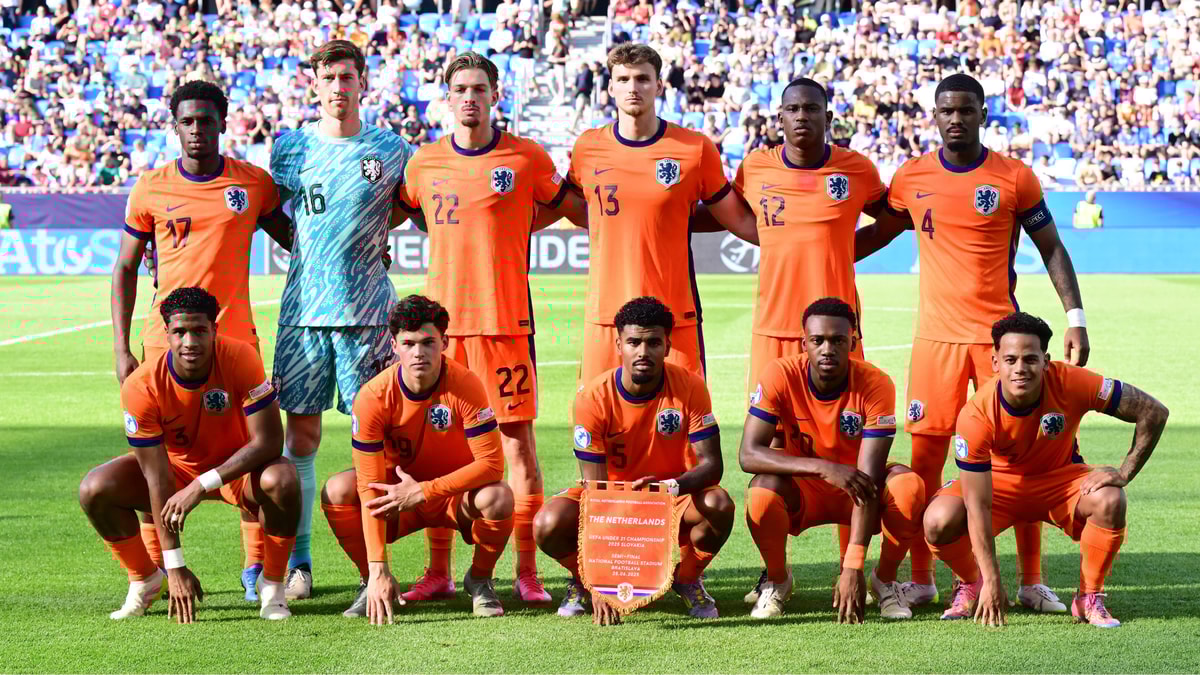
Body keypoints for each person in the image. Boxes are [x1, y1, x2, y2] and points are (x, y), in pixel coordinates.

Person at [856, 73, 1091, 613]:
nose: (956, 119)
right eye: (947, 110)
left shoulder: (1014, 178)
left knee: (1022, 458)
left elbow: (1052, 247)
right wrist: (812, 249)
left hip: (1000, 343)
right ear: (935, 116)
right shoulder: (911, 176)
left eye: (966, 110)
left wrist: (1075, 317)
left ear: (983, 113)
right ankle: (923, 579)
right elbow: (880, 232)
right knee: (925, 460)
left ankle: (1031, 581)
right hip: (934, 341)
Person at [395, 51, 587, 605]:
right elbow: (405, 212)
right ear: (447, 97)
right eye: (460, 89)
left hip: (505, 326)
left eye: (480, 88)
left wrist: (520, 216)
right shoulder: (424, 162)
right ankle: (439, 572)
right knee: (439, 452)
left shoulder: (525, 157)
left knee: (517, 450)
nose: (470, 98)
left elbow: (571, 207)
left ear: (495, 95)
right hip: (441, 334)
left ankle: (527, 572)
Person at [112, 80, 293, 602]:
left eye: (206, 120)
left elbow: (297, 242)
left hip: (236, 342)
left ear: (223, 122)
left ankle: (255, 570)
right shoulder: (150, 188)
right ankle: (160, 569)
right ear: (175, 127)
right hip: (164, 344)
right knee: (160, 457)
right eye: (187, 121)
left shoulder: (252, 184)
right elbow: (125, 267)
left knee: (249, 454)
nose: (197, 130)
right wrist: (122, 347)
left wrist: (361, 248)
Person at [269, 39, 415, 600]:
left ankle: (371, 568)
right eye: (328, 77)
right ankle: (300, 563)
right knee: (301, 437)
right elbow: (268, 211)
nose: (337, 87)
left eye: (346, 77)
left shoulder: (391, 148)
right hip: (304, 312)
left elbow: (406, 207)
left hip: (368, 313)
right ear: (314, 84)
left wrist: (372, 240)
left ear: (362, 82)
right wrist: (306, 248)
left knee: (371, 439)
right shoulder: (290, 148)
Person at [924, 312, 1168, 627]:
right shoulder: (975, 415)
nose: (1020, 368)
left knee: (1110, 499)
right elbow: (977, 504)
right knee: (938, 519)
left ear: (1046, 361)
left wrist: (1124, 472)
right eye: (1010, 360)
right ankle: (974, 582)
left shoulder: (1073, 381)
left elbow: (1153, 411)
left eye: (1030, 359)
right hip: (998, 486)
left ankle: (1088, 597)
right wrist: (991, 576)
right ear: (995, 362)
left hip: (1060, 482)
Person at [80, 287, 300, 622]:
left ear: (214, 330)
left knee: (282, 479)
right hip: (175, 473)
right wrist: (175, 566)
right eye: (180, 332)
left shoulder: (241, 357)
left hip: (238, 472)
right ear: (166, 334)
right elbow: (156, 477)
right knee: (95, 488)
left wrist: (202, 484)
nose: (190, 342)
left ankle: (272, 587)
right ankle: (145, 579)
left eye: (199, 330)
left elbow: (269, 442)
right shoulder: (141, 386)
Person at [534, 296, 733, 623]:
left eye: (653, 342)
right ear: (619, 345)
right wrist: (601, 581)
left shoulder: (690, 387)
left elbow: (712, 466)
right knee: (548, 523)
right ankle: (583, 579)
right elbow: (596, 492)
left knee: (719, 504)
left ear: (667, 346)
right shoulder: (592, 398)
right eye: (633, 342)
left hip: (669, 496)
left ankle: (686, 578)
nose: (643, 352)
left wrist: (669, 487)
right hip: (610, 499)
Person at [568, 43, 756, 386]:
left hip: (674, 317)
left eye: (642, 79)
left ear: (658, 86)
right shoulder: (587, 147)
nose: (632, 87)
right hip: (605, 315)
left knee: (684, 415)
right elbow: (573, 207)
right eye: (623, 79)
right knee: (597, 415)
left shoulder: (695, 149)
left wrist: (795, 239)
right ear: (610, 87)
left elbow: (738, 219)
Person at [320, 295, 514, 621]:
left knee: (499, 497)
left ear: (445, 343)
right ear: (394, 346)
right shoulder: (372, 397)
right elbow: (369, 485)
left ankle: (480, 579)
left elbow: (492, 465)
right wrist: (378, 567)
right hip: (396, 500)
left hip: (454, 499)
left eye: (428, 342)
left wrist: (423, 491)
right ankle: (371, 583)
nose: (418, 353)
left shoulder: (466, 385)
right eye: (409, 344)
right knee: (338, 490)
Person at [740, 298, 925, 622]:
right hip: (805, 489)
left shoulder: (876, 383)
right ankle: (778, 580)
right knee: (761, 492)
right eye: (818, 340)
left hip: (858, 488)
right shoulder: (780, 374)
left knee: (908, 488)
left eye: (838, 340)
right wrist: (823, 467)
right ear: (804, 343)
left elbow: (867, 478)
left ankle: (884, 579)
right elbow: (748, 454)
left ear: (852, 343)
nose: (827, 349)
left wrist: (853, 565)